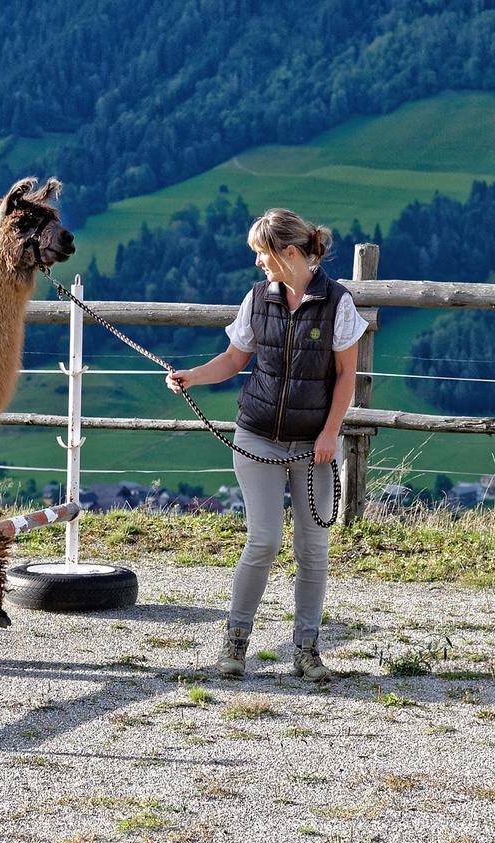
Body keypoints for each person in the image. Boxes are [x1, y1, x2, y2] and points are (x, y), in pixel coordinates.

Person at [165, 208, 367, 682]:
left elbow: (345, 377)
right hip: (255, 435)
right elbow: (236, 358)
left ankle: (306, 650)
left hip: (313, 445)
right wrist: (193, 376)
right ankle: (235, 644)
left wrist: (330, 432)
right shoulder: (256, 299)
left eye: (262, 253)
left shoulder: (339, 304)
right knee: (264, 540)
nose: (257, 262)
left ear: (289, 253)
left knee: (313, 548)